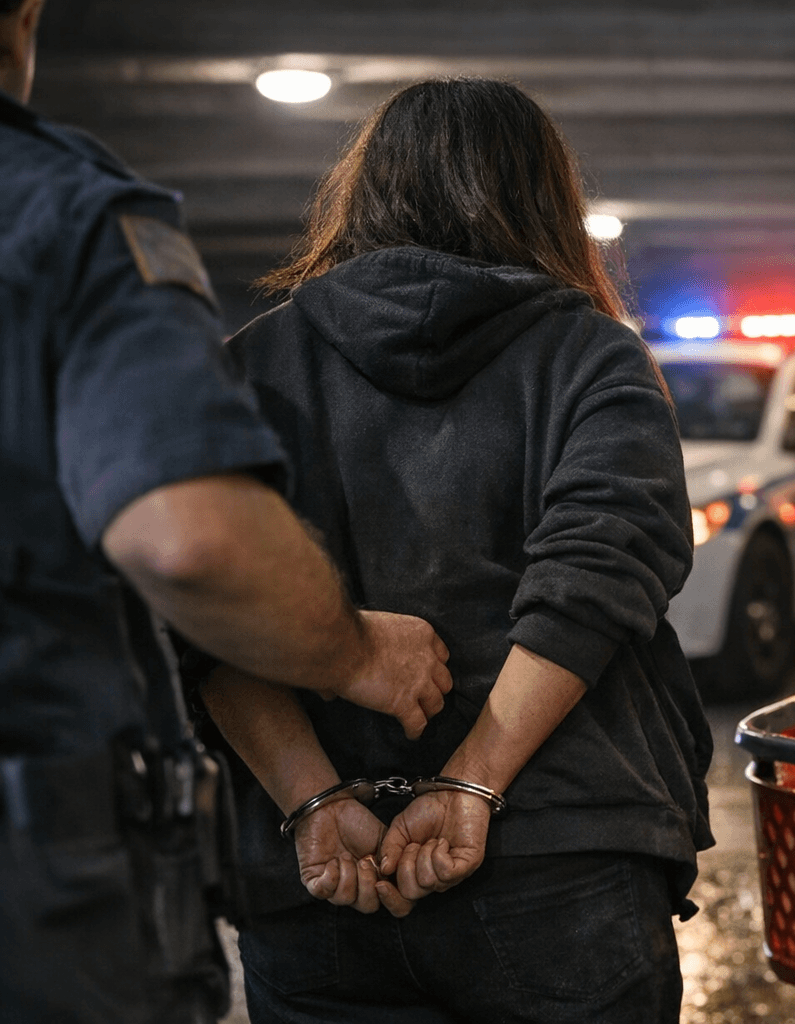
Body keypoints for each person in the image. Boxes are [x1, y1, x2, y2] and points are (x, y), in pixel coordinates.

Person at [196, 78, 714, 1024]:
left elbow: (205, 601)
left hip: (320, 879)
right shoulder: (592, 355)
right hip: (562, 854)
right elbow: (598, 574)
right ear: (542, 197)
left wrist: (313, 801)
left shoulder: (248, 364)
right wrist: (470, 784)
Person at [0, 3, 453, 1022]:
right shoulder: (61, 216)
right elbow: (192, 540)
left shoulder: (271, 348)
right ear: (25, 14)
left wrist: (309, 793)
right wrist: (357, 654)